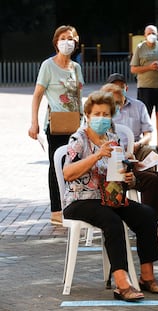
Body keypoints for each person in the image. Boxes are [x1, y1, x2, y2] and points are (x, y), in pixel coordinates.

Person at [62, 90, 158, 301]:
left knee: (147, 215)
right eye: (97, 113)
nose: (101, 118)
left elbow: (115, 171)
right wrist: (97, 155)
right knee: (112, 221)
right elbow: (67, 173)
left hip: (110, 198)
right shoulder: (79, 139)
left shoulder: (112, 138)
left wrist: (129, 178)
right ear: (88, 115)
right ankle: (122, 282)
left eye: (106, 114)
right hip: (81, 200)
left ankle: (147, 276)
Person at [102, 75, 158, 245]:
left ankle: (151, 224)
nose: (117, 109)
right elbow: (103, 148)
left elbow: (147, 133)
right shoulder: (100, 120)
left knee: (155, 175)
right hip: (108, 169)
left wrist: (131, 155)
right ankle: (150, 228)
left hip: (128, 155)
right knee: (151, 180)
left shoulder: (137, 106)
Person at [28, 25, 84, 226]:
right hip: (56, 125)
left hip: (75, 124)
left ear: (75, 42)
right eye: (62, 38)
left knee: (76, 164)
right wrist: (34, 123)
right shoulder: (48, 66)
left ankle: (72, 205)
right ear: (56, 42)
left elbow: (78, 96)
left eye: (70, 38)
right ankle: (56, 210)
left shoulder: (76, 67)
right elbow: (37, 96)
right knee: (56, 166)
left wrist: (84, 119)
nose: (66, 42)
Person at [130, 25, 158, 155]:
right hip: (145, 87)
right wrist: (149, 67)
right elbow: (133, 69)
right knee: (146, 116)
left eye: (153, 33)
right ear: (145, 35)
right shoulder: (140, 48)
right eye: (149, 33)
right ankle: (146, 146)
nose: (151, 35)